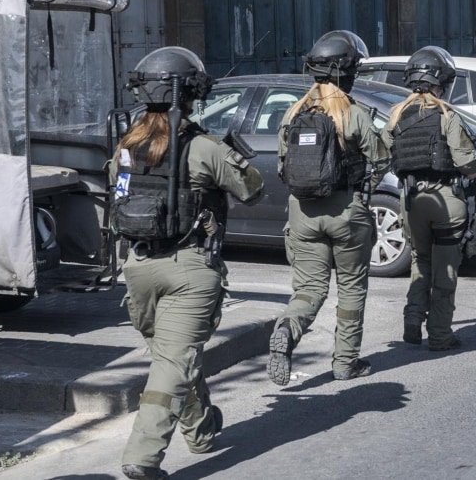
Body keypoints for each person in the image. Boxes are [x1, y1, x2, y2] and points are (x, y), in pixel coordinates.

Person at [110, 47, 263, 480]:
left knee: (173, 354)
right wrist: (234, 154)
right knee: (173, 363)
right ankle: (142, 456)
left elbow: (117, 198)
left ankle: (200, 431)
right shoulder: (201, 147)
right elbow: (252, 189)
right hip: (189, 270)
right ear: (192, 96)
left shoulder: (125, 148)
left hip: (138, 267)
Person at [268, 30, 389, 385]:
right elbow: (380, 158)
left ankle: (287, 330)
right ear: (346, 72)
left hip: (302, 212)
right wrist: (365, 185)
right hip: (346, 211)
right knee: (351, 288)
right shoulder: (352, 113)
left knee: (309, 290)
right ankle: (345, 363)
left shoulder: (293, 113)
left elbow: (281, 167)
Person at [383, 47, 476, 351]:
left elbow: (381, 152)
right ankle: (439, 334)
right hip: (445, 199)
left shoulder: (396, 113)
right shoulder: (446, 114)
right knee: (445, 268)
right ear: (441, 82)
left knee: (420, 260)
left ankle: (413, 319)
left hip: (411, 200)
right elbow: (466, 160)